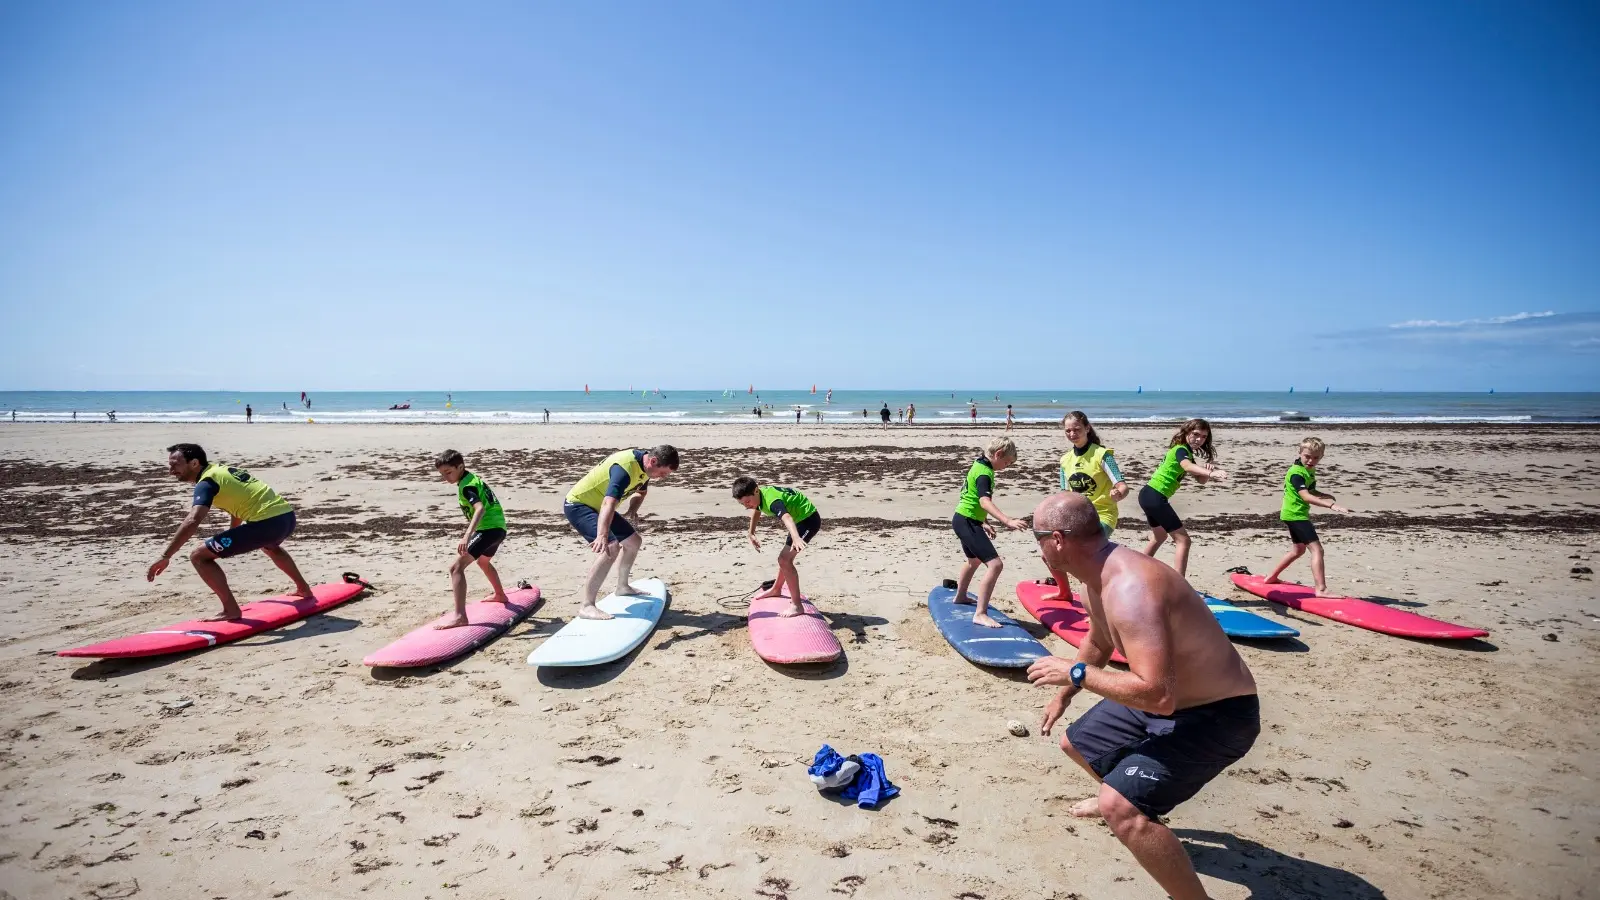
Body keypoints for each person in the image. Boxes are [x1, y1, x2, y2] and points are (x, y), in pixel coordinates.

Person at [1027, 492, 1259, 900]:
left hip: (1219, 714)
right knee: (1075, 743)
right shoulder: (1094, 579)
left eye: (1038, 537)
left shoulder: (1131, 589)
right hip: (1168, 698)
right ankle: (1120, 794)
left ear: (1058, 540)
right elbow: (1098, 641)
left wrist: (1075, 671)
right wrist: (1064, 695)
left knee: (1121, 809)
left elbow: (1157, 696)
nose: (1038, 547)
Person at [146, 444, 314, 620]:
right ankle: (303, 589)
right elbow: (237, 505)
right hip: (286, 518)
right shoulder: (220, 471)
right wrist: (233, 536)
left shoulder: (207, 483)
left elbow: (193, 520)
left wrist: (166, 555)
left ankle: (231, 610)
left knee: (198, 556)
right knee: (270, 547)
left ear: (194, 463)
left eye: (175, 465)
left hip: (267, 525)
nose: (171, 471)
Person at [563, 446, 680, 620]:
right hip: (579, 505)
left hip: (598, 507)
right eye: (663, 473)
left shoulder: (644, 467)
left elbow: (641, 492)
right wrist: (602, 535)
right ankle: (587, 606)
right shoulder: (624, 468)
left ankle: (622, 587)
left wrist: (632, 510)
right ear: (653, 461)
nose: (663, 478)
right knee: (611, 547)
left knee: (633, 542)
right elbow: (608, 503)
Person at [1040, 411, 1127, 604]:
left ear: (1087, 428)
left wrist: (1119, 493)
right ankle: (1064, 592)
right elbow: (1064, 494)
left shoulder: (1102, 454)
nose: (1072, 434)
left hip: (1102, 517)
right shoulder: (1065, 460)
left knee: (1084, 558)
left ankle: (1099, 606)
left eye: (1077, 429)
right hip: (1077, 519)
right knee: (1048, 552)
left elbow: (1122, 484)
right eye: (1068, 430)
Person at [949, 437, 1030, 628]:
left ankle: (960, 596)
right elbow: (984, 501)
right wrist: (1007, 521)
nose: (1006, 466)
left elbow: (971, 497)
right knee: (995, 565)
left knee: (974, 561)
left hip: (964, 519)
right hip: (967, 521)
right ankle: (980, 613)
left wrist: (983, 521)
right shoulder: (985, 473)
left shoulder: (978, 464)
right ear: (998, 454)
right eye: (1006, 462)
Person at [1263, 437, 1352, 596]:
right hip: (1296, 515)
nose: (1311, 461)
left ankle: (1271, 577)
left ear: (1321, 456)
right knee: (1317, 550)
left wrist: (1323, 494)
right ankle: (1321, 589)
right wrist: (1331, 505)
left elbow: (1310, 491)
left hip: (1292, 514)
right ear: (1300, 453)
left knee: (1298, 550)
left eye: (1316, 457)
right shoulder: (1297, 473)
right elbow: (1305, 496)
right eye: (1307, 456)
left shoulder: (1308, 470)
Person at [433, 450, 511, 628]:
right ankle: (500, 595)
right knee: (483, 562)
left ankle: (460, 616)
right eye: (442, 474)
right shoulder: (471, 478)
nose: (446, 477)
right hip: (499, 529)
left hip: (488, 530)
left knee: (456, 568)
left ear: (460, 466)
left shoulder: (466, 486)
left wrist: (467, 535)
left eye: (448, 472)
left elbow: (480, 509)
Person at [1140, 419, 1228, 577]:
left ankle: (1136, 570)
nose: (1199, 439)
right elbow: (1187, 466)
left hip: (1148, 495)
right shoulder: (1181, 450)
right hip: (1154, 495)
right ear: (1186, 433)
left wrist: (1207, 470)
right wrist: (1211, 473)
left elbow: (1200, 481)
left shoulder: (1186, 453)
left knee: (1159, 536)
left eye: (1203, 437)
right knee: (1184, 541)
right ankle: (1180, 585)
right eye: (1195, 434)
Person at [732, 476, 822, 617]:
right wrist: (751, 532)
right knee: (783, 560)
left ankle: (797, 606)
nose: (746, 506)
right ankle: (777, 589)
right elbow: (757, 510)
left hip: (808, 520)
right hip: (798, 521)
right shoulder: (759, 497)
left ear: (756, 490)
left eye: (747, 502)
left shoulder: (773, 501)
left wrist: (796, 538)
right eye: (742, 504)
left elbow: (787, 518)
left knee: (784, 560)